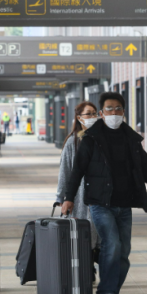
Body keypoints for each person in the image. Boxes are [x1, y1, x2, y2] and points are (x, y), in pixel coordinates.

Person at [62, 92, 147, 294]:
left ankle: (111, 291)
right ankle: (106, 293)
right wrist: (68, 198)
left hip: (124, 202)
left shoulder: (131, 138)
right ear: (101, 113)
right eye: (109, 108)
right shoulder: (90, 138)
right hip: (100, 203)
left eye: (118, 108)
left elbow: (144, 164)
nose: (114, 112)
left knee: (124, 251)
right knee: (112, 244)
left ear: (124, 112)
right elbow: (77, 171)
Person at [56, 101, 101, 250]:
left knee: (100, 240)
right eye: (89, 113)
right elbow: (65, 172)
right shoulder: (73, 142)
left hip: (100, 198)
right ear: (79, 117)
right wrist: (61, 198)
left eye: (95, 113)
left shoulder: (101, 139)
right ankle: (84, 270)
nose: (93, 116)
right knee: (83, 239)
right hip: (79, 198)